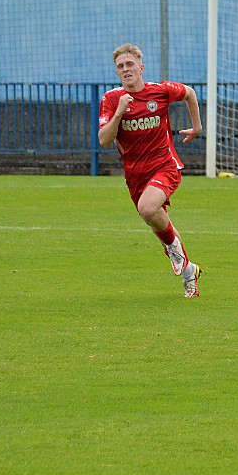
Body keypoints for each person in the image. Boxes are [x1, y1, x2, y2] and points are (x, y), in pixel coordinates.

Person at [98, 43, 203, 298]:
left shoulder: (161, 91)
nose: (126, 69)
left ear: (141, 68)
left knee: (148, 209)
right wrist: (121, 111)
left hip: (165, 165)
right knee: (156, 219)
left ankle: (174, 250)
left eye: (130, 64)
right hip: (135, 175)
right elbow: (104, 139)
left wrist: (196, 127)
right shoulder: (112, 100)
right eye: (120, 66)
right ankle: (189, 272)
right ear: (117, 73)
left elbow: (189, 93)